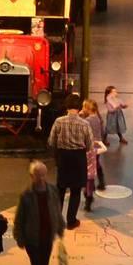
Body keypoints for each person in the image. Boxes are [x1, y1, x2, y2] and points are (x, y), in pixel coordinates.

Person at [13, 159, 63, 265]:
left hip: (47, 237)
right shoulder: (26, 195)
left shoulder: (52, 191)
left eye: (43, 175)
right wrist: (19, 237)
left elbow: (56, 210)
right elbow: (19, 218)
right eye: (38, 175)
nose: (41, 178)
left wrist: (60, 227)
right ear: (32, 176)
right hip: (32, 239)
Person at [48, 97, 94, 228]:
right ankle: (71, 221)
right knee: (75, 190)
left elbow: (51, 141)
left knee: (60, 189)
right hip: (78, 159)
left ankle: (57, 220)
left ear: (66, 106)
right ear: (79, 108)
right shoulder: (85, 124)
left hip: (63, 157)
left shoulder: (58, 121)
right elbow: (90, 146)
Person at [80, 98, 107, 196]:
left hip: (90, 147)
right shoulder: (98, 118)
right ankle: (101, 182)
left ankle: (89, 192)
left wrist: (80, 116)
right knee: (96, 164)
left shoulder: (87, 120)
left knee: (89, 171)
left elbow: (82, 130)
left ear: (87, 108)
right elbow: (103, 132)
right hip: (97, 146)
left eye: (83, 107)